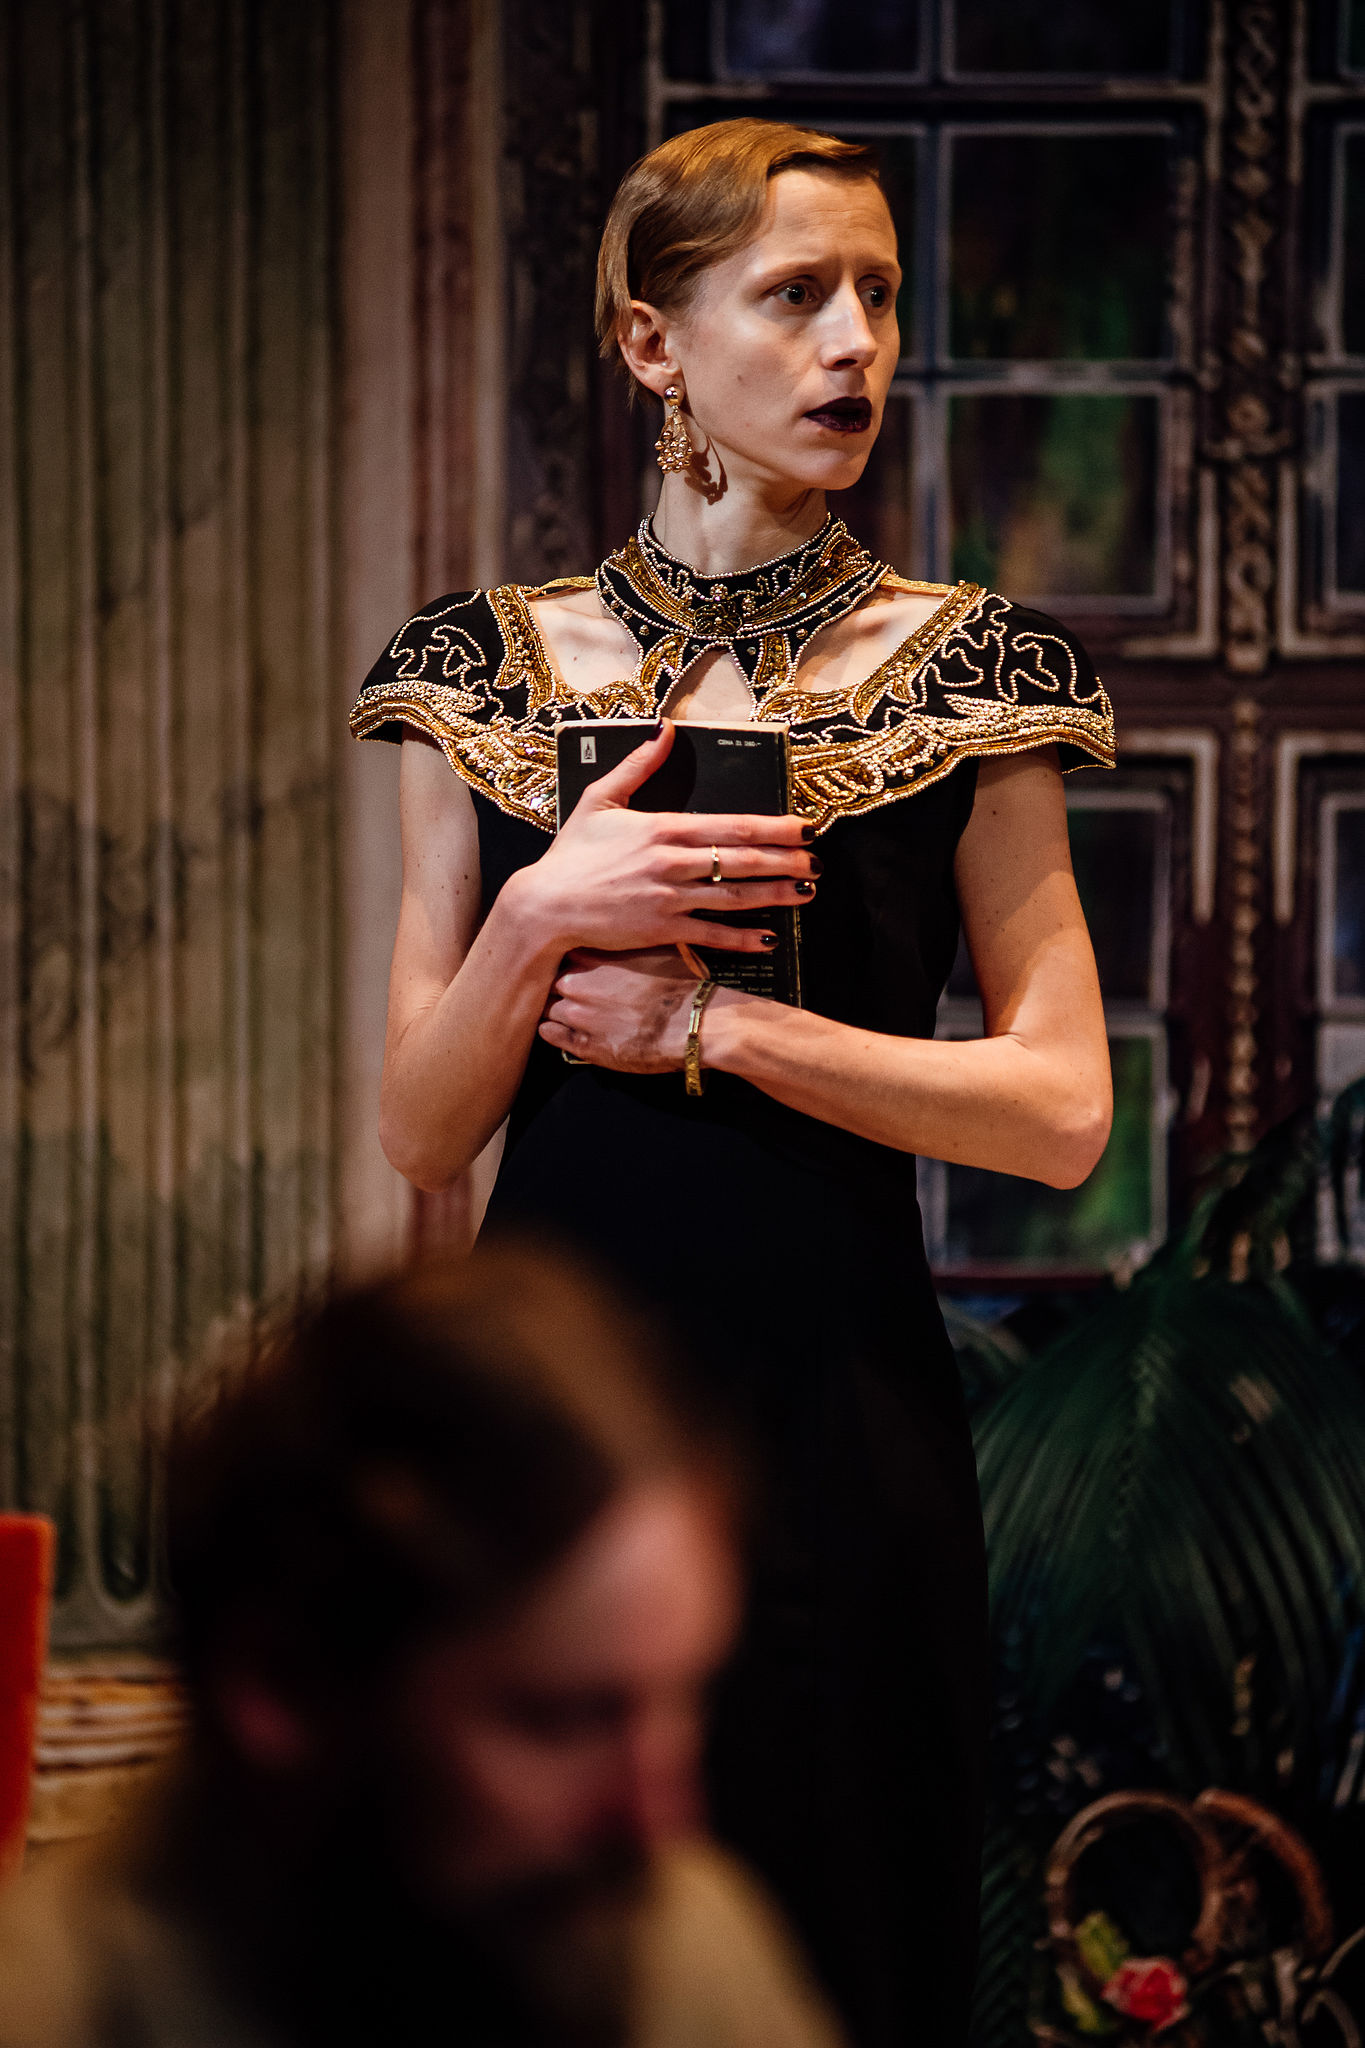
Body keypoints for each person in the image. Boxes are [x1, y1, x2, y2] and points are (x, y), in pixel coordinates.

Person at [351, 117, 1114, 2048]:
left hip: (836, 1428)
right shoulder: (487, 669)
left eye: (879, 294)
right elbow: (421, 1126)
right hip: (549, 1435)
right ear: (650, 341)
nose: (857, 341)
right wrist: (542, 918)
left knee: (838, 1951)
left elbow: (1061, 1109)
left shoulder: (966, 670)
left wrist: (718, 1030)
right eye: (795, 296)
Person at [0, 1246, 844, 2048]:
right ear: (283, 1686)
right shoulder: (48, 2011)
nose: (660, 1818)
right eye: (559, 1722)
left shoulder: (675, 1943)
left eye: (687, 1701)